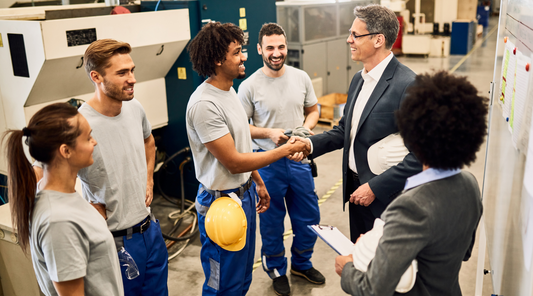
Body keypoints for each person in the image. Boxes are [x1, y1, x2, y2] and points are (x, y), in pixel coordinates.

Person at [334, 71, 487, 295]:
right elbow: (463, 253)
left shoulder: (410, 207)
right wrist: (384, 243)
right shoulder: (469, 184)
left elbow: (373, 289)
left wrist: (347, 267)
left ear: (412, 135)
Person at [186, 22, 308, 296]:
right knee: (222, 284)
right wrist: (286, 149)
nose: (244, 57)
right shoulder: (205, 105)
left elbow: (242, 148)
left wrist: (258, 183)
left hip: (243, 194)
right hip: (220, 203)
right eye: (238, 52)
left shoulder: (229, 91)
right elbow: (234, 162)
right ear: (218, 60)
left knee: (241, 280)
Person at [301, 4, 422, 241]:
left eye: (355, 35)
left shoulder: (409, 85)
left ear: (378, 40)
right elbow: (346, 130)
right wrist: (309, 145)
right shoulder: (359, 79)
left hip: (388, 199)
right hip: (356, 193)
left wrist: (375, 188)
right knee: (361, 259)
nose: (349, 40)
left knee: (383, 269)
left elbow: (421, 156)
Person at [238, 23, 323, 296]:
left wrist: (307, 129)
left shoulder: (301, 78)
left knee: (309, 217)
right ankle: (276, 269)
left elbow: (313, 110)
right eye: (270, 47)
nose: (277, 53)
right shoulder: (249, 86)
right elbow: (241, 128)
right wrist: (267, 133)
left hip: (298, 159)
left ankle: (301, 263)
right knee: (272, 223)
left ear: (287, 48)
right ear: (260, 49)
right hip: (266, 163)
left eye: (281, 47)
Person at [3, 103, 123, 295]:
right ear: (65, 151)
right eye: (88, 137)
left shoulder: (60, 196)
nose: (95, 142)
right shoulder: (58, 221)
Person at [80, 39, 168, 295]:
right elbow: (49, 179)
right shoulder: (80, 124)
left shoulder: (134, 107)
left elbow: (148, 140)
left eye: (131, 70)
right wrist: (83, 208)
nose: (132, 79)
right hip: (113, 240)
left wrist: (149, 178)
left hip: (149, 230)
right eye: (122, 73)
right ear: (96, 76)